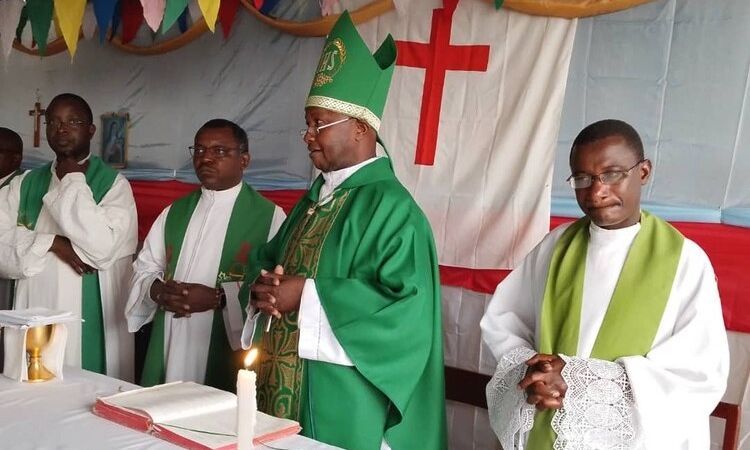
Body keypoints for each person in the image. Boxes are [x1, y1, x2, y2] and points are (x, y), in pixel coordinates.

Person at [240, 11, 447, 450]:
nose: (308, 135)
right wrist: (263, 289)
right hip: (280, 387)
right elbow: (269, 259)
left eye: (320, 123)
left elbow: (405, 314)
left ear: (360, 128)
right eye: (307, 123)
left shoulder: (394, 210)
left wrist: (307, 295)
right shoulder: (315, 199)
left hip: (346, 401)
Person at [480, 119, 729, 449]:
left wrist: (578, 383)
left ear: (643, 172)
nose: (597, 191)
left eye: (612, 174)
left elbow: (698, 375)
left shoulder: (685, 261)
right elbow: (504, 321)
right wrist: (536, 374)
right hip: (549, 428)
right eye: (582, 178)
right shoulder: (556, 246)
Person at [126, 119, 286, 392]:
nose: (206, 158)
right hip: (171, 337)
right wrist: (158, 291)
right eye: (199, 150)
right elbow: (144, 268)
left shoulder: (271, 218)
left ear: (244, 159)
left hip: (225, 345)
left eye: (219, 151)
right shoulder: (174, 212)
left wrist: (219, 298)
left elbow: (275, 287)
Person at [0, 93, 138, 381]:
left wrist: (73, 180)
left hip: (90, 312)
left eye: (73, 121)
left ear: (91, 130)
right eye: (54, 122)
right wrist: (52, 243)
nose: (61, 129)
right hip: (33, 303)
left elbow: (101, 249)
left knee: (87, 386)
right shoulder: (25, 183)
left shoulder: (114, 185)